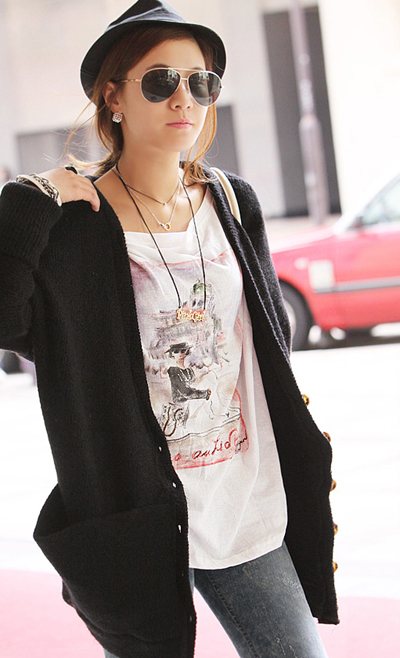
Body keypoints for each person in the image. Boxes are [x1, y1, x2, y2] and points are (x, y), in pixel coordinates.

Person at [0, 1, 339, 656]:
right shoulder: (73, 225)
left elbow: (269, 338)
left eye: (201, 82)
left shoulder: (233, 202)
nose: (186, 98)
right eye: (160, 81)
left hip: (244, 502)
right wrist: (27, 204)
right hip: (134, 512)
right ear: (113, 97)